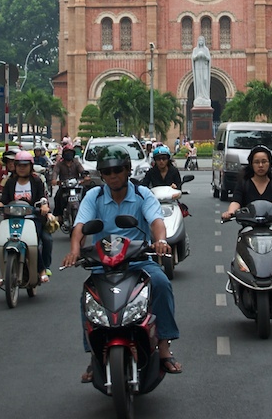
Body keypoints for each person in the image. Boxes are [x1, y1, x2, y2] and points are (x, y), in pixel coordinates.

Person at [62, 145, 182, 380]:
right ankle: (94, 357)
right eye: (107, 172)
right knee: (88, 297)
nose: (112, 176)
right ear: (102, 175)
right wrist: (74, 251)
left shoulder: (141, 194)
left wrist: (160, 241)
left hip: (137, 261)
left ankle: (165, 348)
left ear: (128, 170)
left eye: (117, 170)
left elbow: (157, 221)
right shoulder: (94, 196)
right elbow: (80, 227)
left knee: (161, 283)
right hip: (103, 264)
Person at [0, 150, 53, 284]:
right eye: (19, 165)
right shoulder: (10, 182)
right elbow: (4, 199)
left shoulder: (36, 181)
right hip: (12, 219)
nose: (22, 168)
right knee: (2, 243)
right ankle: (3, 273)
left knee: (42, 240)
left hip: (32, 219)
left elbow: (42, 197)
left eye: (25, 165)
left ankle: (42, 269)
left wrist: (44, 207)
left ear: (30, 166)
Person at [222, 145, 272, 221]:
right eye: (256, 162)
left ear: (270, 163)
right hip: (249, 225)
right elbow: (236, 201)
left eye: (264, 161)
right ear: (251, 164)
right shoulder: (243, 184)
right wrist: (230, 212)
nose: (260, 165)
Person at [51, 144, 90, 219]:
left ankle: (87, 212)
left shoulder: (76, 162)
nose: (69, 154)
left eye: (70, 152)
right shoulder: (60, 164)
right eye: (67, 152)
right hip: (64, 186)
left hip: (76, 185)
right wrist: (54, 179)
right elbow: (55, 172)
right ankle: (59, 216)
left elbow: (82, 170)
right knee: (57, 197)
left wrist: (85, 176)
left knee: (86, 194)